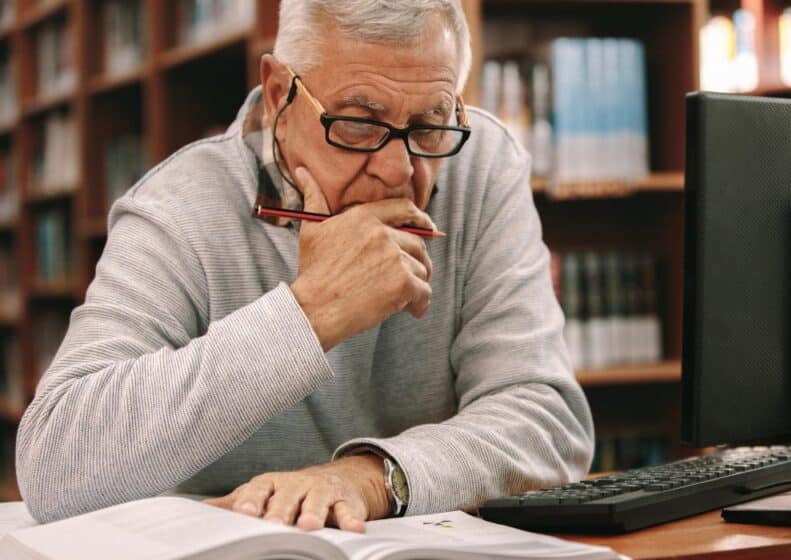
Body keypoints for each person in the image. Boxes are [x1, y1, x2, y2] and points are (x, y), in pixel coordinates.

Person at [15, 0, 594, 531]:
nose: (398, 171)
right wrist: (310, 313)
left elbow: (547, 421)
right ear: (278, 97)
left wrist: (370, 479)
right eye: (359, 123)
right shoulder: (179, 208)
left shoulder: (481, 165)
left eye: (427, 125)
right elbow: (55, 464)